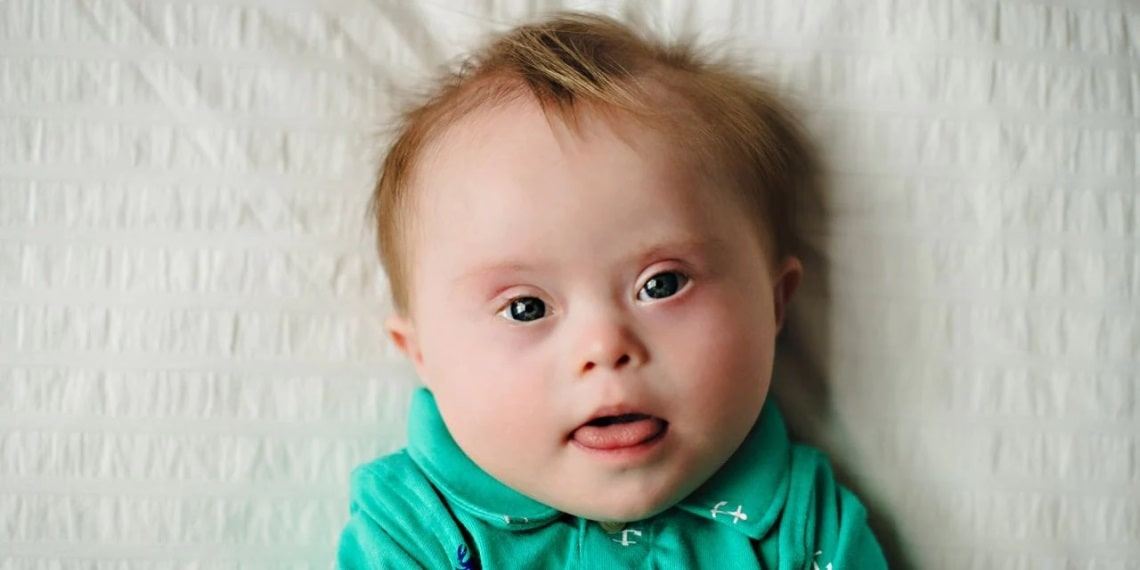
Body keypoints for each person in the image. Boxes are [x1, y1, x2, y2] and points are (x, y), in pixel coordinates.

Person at [338, 11, 886, 569]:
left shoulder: (803, 528)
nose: (604, 346)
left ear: (775, 302)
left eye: (662, 284)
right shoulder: (410, 530)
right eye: (525, 308)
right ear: (422, 355)